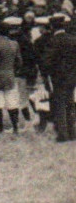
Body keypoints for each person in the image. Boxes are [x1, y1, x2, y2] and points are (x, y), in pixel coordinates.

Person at [37, 13, 76, 142]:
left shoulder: (53, 41)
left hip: (58, 77)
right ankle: (72, 132)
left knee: (59, 105)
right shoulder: (73, 39)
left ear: (52, 27)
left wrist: (46, 74)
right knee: (70, 103)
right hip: (72, 76)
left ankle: (62, 134)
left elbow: (46, 61)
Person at [0, 18, 24, 135]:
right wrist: (14, 71)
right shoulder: (14, 44)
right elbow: (19, 62)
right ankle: (15, 127)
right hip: (10, 75)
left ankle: (0, 129)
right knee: (12, 102)